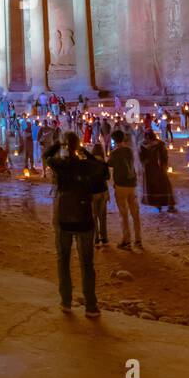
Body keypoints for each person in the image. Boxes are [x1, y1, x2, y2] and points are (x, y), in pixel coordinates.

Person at [43, 133, 101, 317]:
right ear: (77, 146)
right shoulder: (85, 165)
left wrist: (58, 144)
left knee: (64, 260)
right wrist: (83, 151)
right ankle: (91, 305)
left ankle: (66, 301)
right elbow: (100, 166)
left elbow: (46, 156)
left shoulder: (61, 165)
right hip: (84, 218)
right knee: (87, 263)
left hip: (64, 218)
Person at [109, 129, 142, 250]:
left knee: (123, 213)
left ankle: (126, 239)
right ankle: (138, 239)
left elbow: (110, 164)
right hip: (132, 184)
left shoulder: (115, 152)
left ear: (114, 140)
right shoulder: (130, 150)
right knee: (135, 212)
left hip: (121, 185)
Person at [140, 130, 176, 211]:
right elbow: (141, 157)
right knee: (160, 186)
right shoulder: (147, 144)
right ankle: (160, 204)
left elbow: (163, 156)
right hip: (153, 168)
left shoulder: (156, 144)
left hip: (154, 168)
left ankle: (165, 204)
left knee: (161, 186)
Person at [90, 141, 110, 246]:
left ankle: (96, 238)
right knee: (102, 216)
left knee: (94, 216)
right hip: (103, 191)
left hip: (93, 192)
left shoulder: (89, 163)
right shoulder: (103, 163)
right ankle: (104, 238)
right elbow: (108, 177)